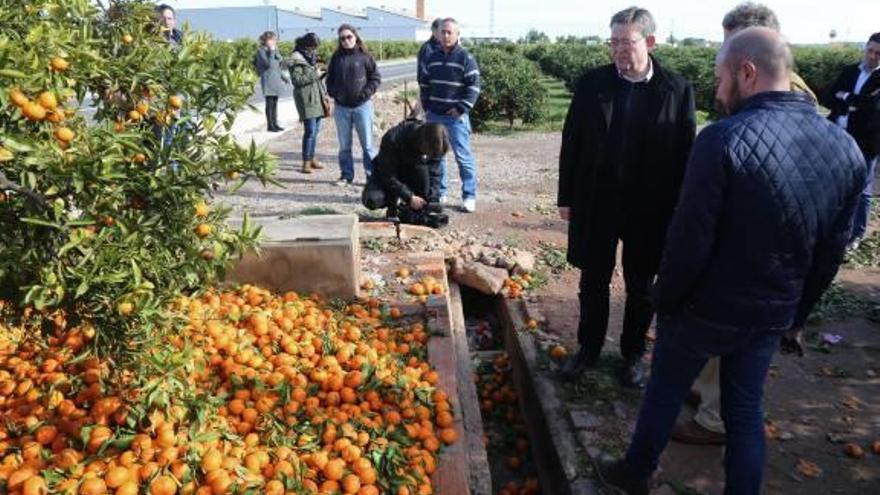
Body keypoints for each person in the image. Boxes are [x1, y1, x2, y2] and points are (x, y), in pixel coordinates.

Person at [597, 27, 866, 495]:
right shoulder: (845, 149)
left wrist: (665, 298)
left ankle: (635, 472)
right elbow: (830, 253)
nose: (718, 92)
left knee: (665, 391)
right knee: (744, 411)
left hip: (705, 307)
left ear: (747, 72)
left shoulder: (723, 139)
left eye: (721, 79)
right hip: (772, 311)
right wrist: (796, 317)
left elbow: (688, 240)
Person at [674, 1, 821, 446]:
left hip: (757, 244)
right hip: (742, 235)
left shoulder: (790, 98)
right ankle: (704, 395)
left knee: (735, 336)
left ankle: (717, 420)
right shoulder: (760, 87)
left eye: (729, 42)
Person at [557, 7, 695, 388]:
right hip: (598, 201)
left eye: (627, 41)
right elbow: (572, 143)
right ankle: (588, 350)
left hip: (650, 208)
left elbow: (686, 152)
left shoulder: (676, 88)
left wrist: (682, 208)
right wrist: (566, 196)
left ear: (649, 42)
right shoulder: (592, 84)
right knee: (593, 281)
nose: (618, 49)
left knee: (641, 285)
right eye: (613, 41)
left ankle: (633, 355)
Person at [821, 32, 880, 248]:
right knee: (835, 183)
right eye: (870, 50)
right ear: (865, 48)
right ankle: (834, 226)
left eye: (878, 54)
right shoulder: (849, 71)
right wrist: (853, 102)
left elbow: (872, 109)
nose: (873, 56)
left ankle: (856, 234)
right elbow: (827, 96)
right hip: (838, 136)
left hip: (866, 142)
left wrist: (844, 97)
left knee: (862, 189)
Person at [418, 18, 481, 213]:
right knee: (437, 157)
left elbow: (474, 86)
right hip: (435, 115)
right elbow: (425, 83)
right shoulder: (433, 56)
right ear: (438, 34)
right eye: (443, 32)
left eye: (449, 33)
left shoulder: (465, 58)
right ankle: (440, 191)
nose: (445, 36)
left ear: (457, 35)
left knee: (463, 157)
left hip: (455, 118)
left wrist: (461, 108)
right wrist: (427, 106)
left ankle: (469, 195)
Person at [362, 120, 449, 228]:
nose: (428, 156)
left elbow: (435, 174)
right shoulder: (393, 138)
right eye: (428, 153)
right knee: (372, 199)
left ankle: (409, 211)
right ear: (423, 142)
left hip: (413, 171)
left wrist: (431, 200)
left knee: (426, 192)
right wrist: (409, 197)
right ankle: (393, 205)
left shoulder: (435, 144)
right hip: (389, 174)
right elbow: (387, 175)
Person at [326, 24, 381, 186]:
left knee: (368, 145)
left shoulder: (365, 56)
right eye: (342, 38)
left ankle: (372, 177)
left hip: (362, 107)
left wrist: (365, 93)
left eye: (349, 37)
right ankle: (346, 175)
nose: (346, 40)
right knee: (344, 146)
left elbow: (375, 78)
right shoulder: (336, 58)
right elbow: (329, 80)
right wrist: (333, 92)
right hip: (342, 108)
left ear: (355, 37)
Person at [289, 33, 328, 174]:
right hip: (306, 99)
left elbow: (314, 77)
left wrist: (322, 72)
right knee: (310, 131)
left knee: (315, 131)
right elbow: (297, 81)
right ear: (306, 45)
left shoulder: (310, 57)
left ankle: (311, 158)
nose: (314, 50)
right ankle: (305, 162)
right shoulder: (296, 59)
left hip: (316, 96)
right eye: (312, 47)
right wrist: (315, 74)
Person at [254, 31, 290, 133]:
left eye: (274, 40)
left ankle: (275, 123)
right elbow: (267, 64)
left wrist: (284, 78)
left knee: (275, 103)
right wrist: (272, 51)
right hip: (268, 81)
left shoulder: (275, 50)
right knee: (269, 104)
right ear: (265, 40)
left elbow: (277, 66)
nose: (273, 42)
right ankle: (270, 125)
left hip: (276, 80)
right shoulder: (261, 51)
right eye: (271, 40)